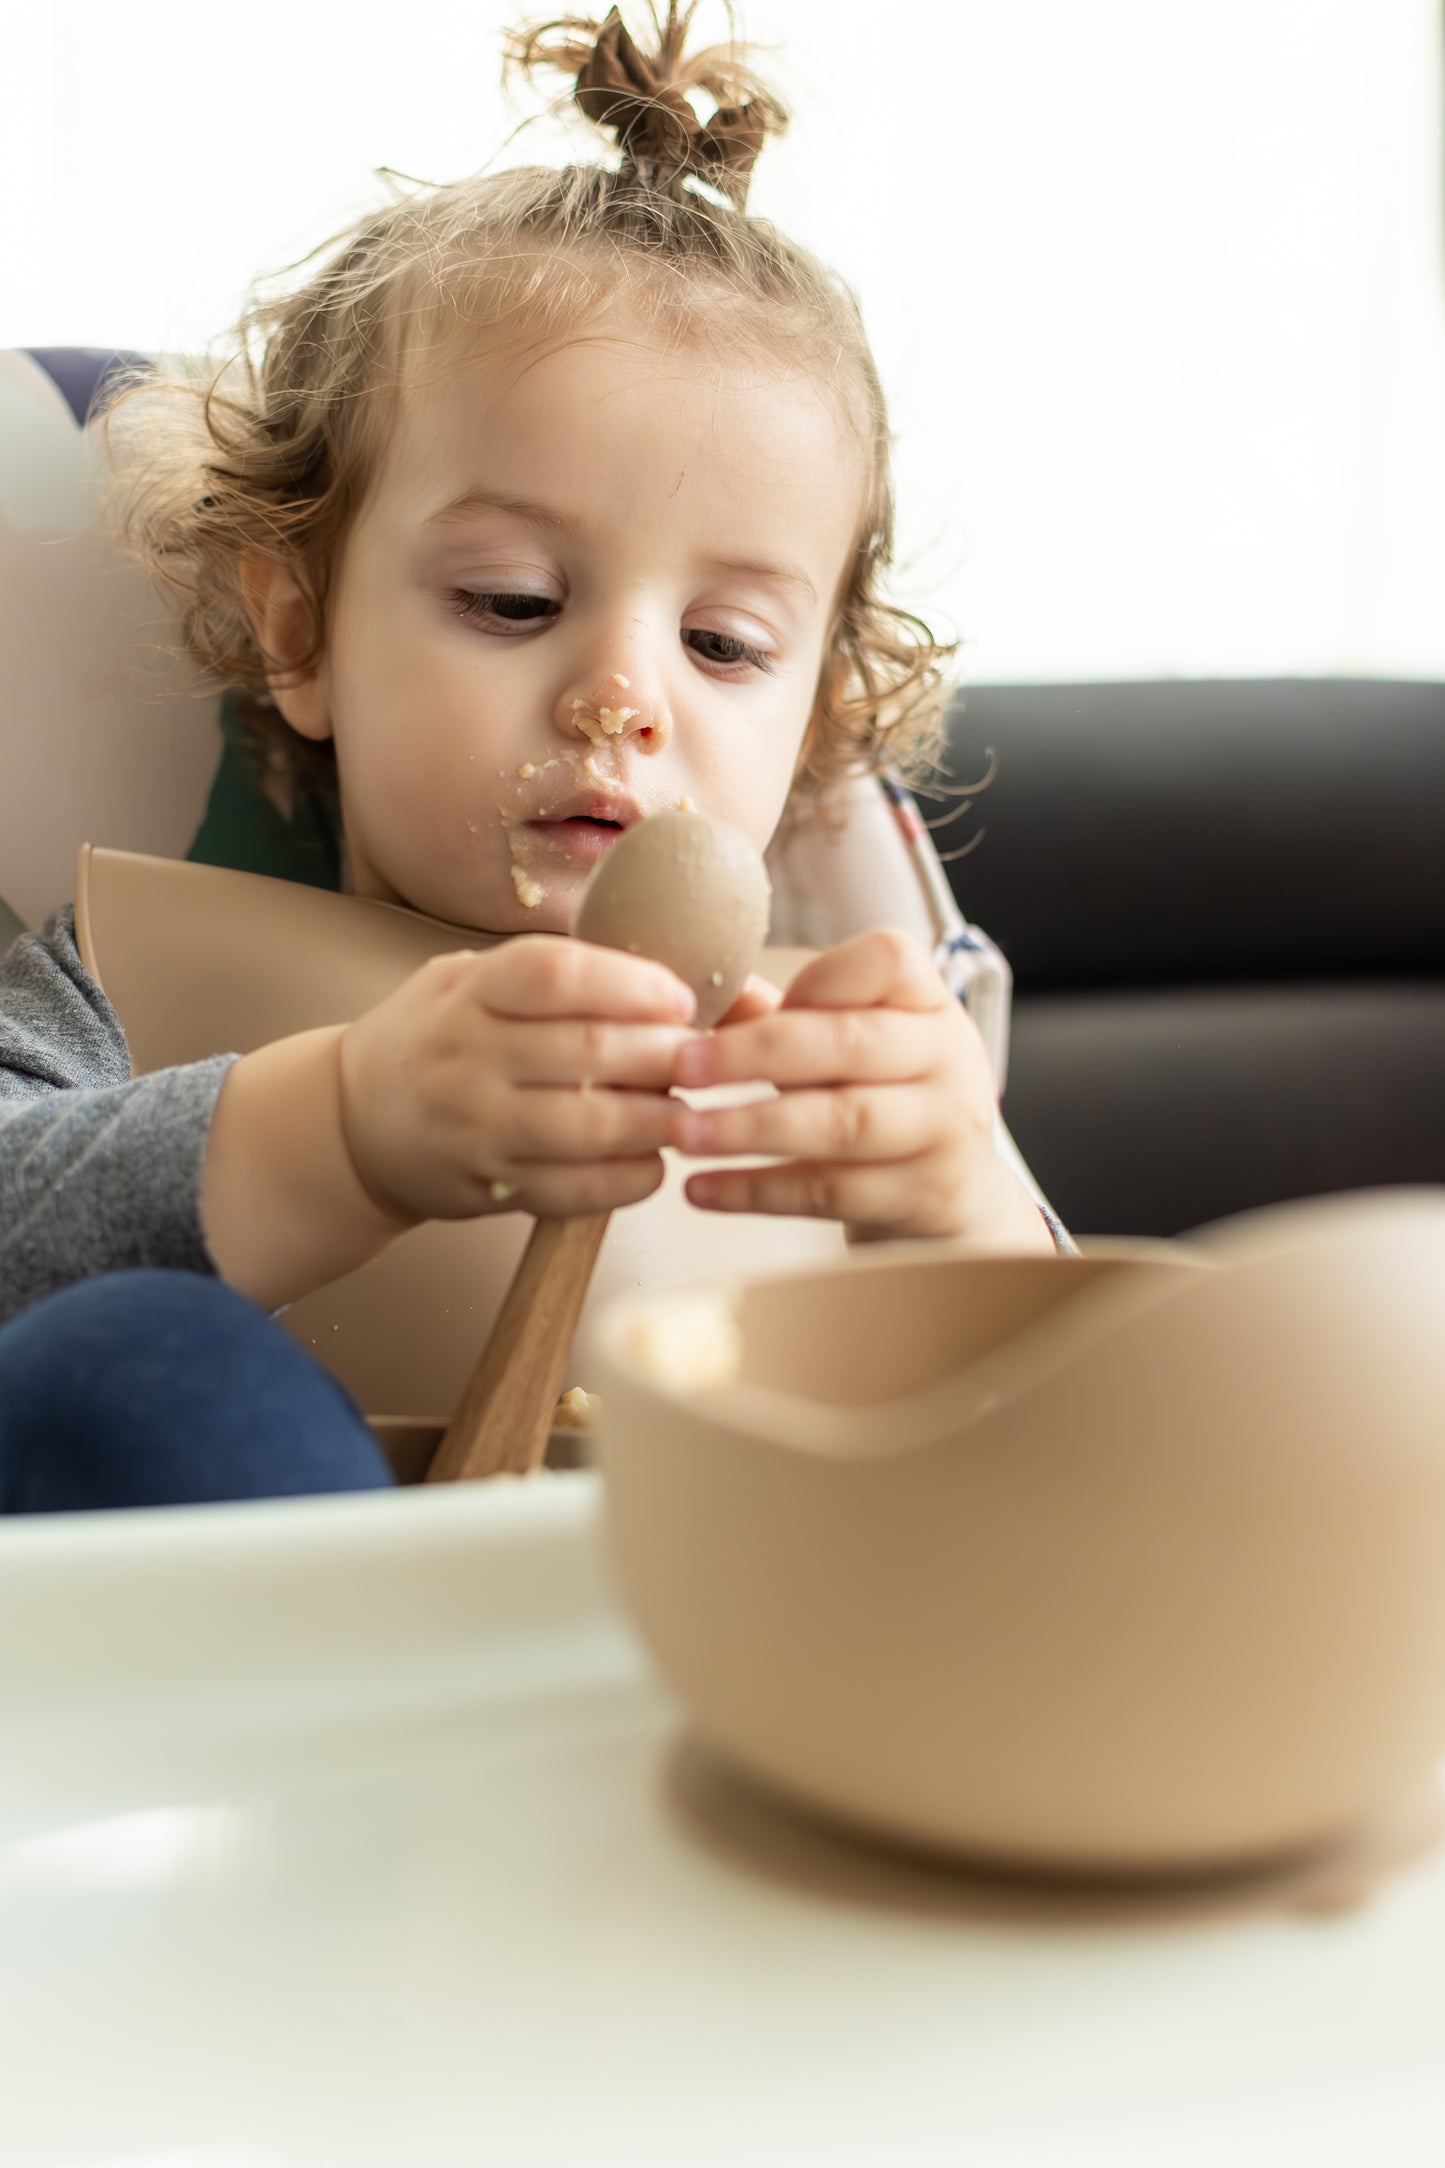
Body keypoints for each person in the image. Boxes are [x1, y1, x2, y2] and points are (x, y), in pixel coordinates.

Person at [0, 2, 1070, 1514]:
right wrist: (342, 1129)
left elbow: (1072, 1481)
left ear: (819, 716)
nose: (620, 698)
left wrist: (953, 1211)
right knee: (138, 1362)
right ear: (299, 634)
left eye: (723, 648)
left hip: (726, 1679)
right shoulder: (123, 979)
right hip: (269, 1682)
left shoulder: (846, 1062)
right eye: (512, 601)